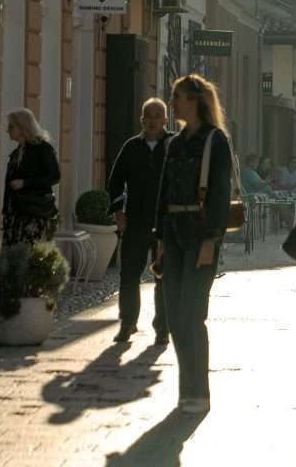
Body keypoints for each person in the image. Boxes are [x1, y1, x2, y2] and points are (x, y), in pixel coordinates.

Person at [154, 74, 232, 414]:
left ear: (195, 101)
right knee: (173, 317)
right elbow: (163, 192)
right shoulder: (175, 143)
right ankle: (186, 390)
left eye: (178, 97)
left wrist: (212, 239)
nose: (173, 103)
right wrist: (158, 240)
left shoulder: (215, 141)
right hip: (172, 232)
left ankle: (198, 393)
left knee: (192, 315)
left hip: (200, 232)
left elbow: (219, 193)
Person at [108, 97, 173, 344]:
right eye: (148, 116)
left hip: (165, 223)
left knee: (163, 276)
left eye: (158, 115)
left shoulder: (173, 145)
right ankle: (127, 323)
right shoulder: (131, 147)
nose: (153, 120)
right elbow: (115, 181)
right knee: (129, 275)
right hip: (135, 220)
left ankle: (162, 328)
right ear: (142, 120)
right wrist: (118, 212)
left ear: (165, 119)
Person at [2, 109, 60, 246]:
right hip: (14, 215)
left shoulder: (43, 149)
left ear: (23, 127)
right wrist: (6, 212)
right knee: (12, 260)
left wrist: (25, 183)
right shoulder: (17, 153)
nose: (7, 130)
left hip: (34, 214)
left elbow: (55, 176)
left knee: (29, 259)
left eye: (11, 126)